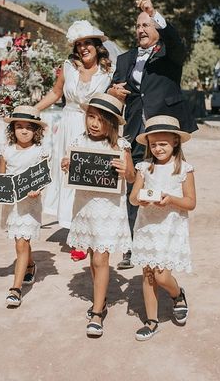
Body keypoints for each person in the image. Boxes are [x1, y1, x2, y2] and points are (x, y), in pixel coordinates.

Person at [107, 0, 198, 269]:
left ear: (156, 27)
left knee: (165, 184)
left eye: (146, 25)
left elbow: (175, 40)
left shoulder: (171, 54)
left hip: (165, 128)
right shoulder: (125, 59)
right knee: (135, 183)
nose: (140, 30)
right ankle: (134, 246)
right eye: (137, 26)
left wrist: (153, 11)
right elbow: (112, 90)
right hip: (135, 128)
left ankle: (166, 241)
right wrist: (112, 91)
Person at [35, 20, 114, 262]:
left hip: (94, 127)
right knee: (68, 176)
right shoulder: (68, 67)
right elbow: (56, 92)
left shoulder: (107, 72)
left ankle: (89, 232)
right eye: (79, 44)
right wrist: (34, 109)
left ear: (97, 46)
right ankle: (75, 233)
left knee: (87, 179)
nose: (82, 48)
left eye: (87, 43)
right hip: (68, 126)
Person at [60, 93, 135, 337]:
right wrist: (67, 164)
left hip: (108, 209)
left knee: (101, 259)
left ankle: (97, 311)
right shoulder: (79, 140)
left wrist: (127, 171)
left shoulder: (121, 146)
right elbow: (72, 166)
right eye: (90, 117)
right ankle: (99, 296)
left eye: (100, 120)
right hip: (85, 207)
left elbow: (133, 177)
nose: (93, 123)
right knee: (93, 258)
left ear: (111, 123)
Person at [128, 115, 196, 341]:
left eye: (163, 144)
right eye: (153, 144)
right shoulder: (144, 167)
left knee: (162, 276)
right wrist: (141, 200)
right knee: (148, 274)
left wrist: (171, 200)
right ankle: (152, 320)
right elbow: (133, 198)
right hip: (147, 226)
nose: (157, 148)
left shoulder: (184, 169)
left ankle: (177, 294)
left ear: (175, 142)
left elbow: (191, 202)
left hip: (170, 229)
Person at [0, 106, 49, 308]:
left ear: (36, 130)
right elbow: (1, 179)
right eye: (19, 126)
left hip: (29, 204)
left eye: (28, 127)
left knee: (21, 242)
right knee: (20, 242)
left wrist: (38, 189)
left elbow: (43, 178)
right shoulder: (6, 152)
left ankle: (16, 289)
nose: (23, 131)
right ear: (12, 129)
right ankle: (30, 264)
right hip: (12, 205)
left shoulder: (40, 151)